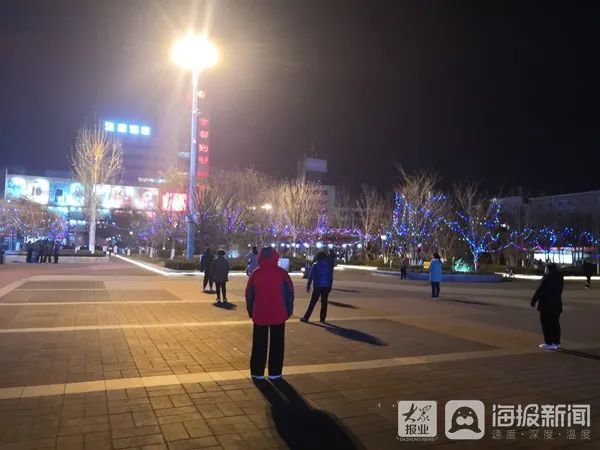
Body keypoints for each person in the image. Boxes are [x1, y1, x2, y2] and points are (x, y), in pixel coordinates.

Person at [245, 247, 294, 381]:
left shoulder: (256, 273)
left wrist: (251, 311)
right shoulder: (282, 274)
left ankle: (257, 372)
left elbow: (249, 295)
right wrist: (288, 311)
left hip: (260, 314)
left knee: (259, 343)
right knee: (277, 343)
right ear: (275, 257)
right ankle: (275, 372)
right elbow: (290, 294)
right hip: (279, 314)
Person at [531, 263, 563, 349]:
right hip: (556, 304)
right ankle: (556, 342)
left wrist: (533, 301)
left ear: (548, 269)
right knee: (555, 324)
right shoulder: (559, 278)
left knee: (545, 323)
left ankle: (548, 342)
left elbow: (540, 290)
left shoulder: (547, 278)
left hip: (546, 305)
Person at [300, 251, 334, 323]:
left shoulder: (315, 265)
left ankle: (306, 317)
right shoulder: (329, 265)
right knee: (324, 303)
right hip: (326, 286)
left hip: (317, 286)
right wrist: (330, 286)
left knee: (312, 302)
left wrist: (308, 285)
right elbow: (330, 277)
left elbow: (310, 276)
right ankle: (322, 318)